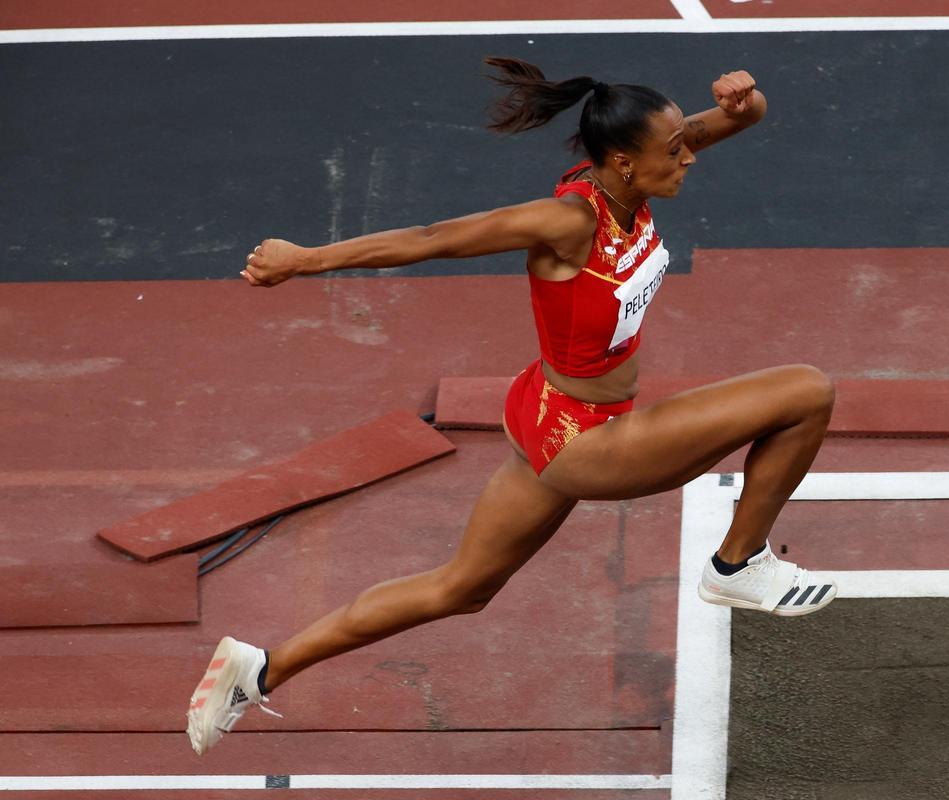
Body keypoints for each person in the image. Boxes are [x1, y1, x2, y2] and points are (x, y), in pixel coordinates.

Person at [186, 57, 837, 756]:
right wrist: (304, 259)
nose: (689, 157)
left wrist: (743, 99)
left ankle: (260, 669)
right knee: (805, 392)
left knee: (459, 589)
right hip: (587, 441)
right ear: (621, 162)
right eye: (675, 150)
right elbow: (433, 240)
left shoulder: (638, 175)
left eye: (686, 141)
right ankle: (736, 566)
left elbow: (744, 116)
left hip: (549, 417)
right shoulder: (564, 221)